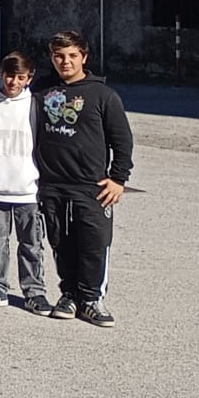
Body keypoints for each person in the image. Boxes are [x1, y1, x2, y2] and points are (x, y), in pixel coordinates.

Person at [34, 30, 132, 328]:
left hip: (92, 187)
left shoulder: (103, 95)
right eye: (59, 56)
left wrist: (118, 178)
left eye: (72, 56)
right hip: (51, 185)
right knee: (60, 242)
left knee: (93, 243)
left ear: (84, 58)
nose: (65, 61)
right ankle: (70, 294)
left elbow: (122, 140)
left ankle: (91, 298)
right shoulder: (40, 91)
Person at [0, 52, 51, 314]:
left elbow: (41, 143)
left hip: (27, 188)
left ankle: (34, 291)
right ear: (1, 73)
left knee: (32, 243)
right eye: (9, 75)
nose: (13, 82)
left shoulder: (34, 104)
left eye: (20, 77)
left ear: (29, 78)